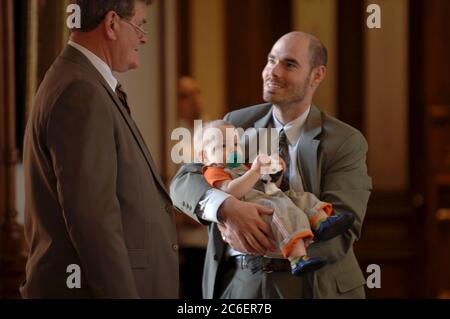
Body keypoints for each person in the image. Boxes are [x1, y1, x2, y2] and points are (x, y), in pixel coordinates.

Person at [170, 31, 372, 299]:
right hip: (243, 284)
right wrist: (226, 207)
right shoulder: (236, 123)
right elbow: (183, 181)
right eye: (270, 60)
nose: (272, 71)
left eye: (289, 64)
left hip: (315, 286)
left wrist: (254, 235)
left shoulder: (345, 141)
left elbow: (341, 231)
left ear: (317, 75)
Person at [21, 0, 178, 298]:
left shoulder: (82, 81)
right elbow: (93, 222)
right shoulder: (80, 91)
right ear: (111, 24)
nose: (143, 37)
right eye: (140, 25)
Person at [194, 120, 355, 276]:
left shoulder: (242, 166)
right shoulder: (214, 170)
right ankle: (297, 258)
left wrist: (276, 171)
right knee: (282, 214)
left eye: (235, 144)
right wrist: (255, 172)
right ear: (204, 156)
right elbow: (231, 191)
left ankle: (321, 221)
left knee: (301, 197)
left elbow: (268, 184)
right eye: (223, 146)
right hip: (257, 208)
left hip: (273, 197)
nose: (233, 150)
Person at [175, 76, 208, 299]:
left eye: (197, 92)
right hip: (185, 240)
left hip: (214, 239)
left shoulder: (212, 132)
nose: (194, 100)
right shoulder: (168, 136)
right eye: (185, 96)